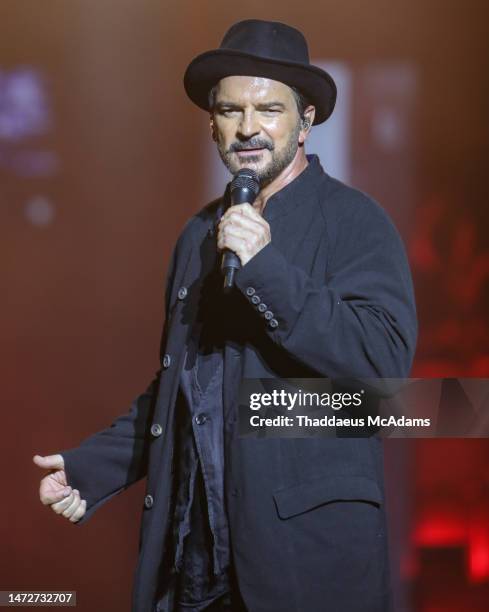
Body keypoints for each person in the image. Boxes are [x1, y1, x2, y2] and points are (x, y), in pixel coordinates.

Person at [33, 18, 418, 612]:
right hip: (196, 560)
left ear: (306, 118)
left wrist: (266, 268)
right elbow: (183, 388)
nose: (248, 128)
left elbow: (383, 367)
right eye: (230, 110)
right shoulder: (196, 236)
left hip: (305, 564)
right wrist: (91, 469)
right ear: (211, 122)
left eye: (269, 109)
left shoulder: (354, 221)